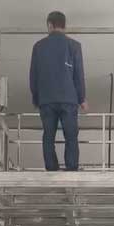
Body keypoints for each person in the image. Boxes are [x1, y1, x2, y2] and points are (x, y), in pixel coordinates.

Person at [29, 11, 88, 171]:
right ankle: (71, 167)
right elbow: (79, 75)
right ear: (64, 25)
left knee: (48, 136)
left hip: (47, 100)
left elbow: (33, 76)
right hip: (69, 99)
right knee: (71, 135)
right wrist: (82, 98)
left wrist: (36, 98)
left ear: (50, 25)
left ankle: (51, 168)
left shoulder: (38, 47)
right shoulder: (74, 46)